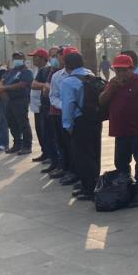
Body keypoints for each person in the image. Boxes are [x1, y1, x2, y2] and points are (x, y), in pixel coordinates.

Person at [99, 54, 138, 208]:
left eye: (123, 70)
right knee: (121, 162)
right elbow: (102, 101)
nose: (120, 74)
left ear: (131, 69)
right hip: (120, 131)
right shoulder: (113, 83)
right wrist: (112, 88)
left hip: (137, 131)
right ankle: (125, 190)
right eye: (117, 70)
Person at [60, 52, 102, 200]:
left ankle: (88, 189)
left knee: (82, 156)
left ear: (66, 65)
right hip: (95, 119)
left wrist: (68, 126)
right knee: (94, 153)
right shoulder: (90, 74)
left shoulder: (68, 81)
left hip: (80, 121)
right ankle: (94, 184)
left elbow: (68, 105)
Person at [48, 47, 80, 188]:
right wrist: (64, 106)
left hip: (78, 116)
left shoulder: (85, 75)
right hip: (61, 114)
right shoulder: (57, 76)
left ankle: (76, 172)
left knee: (76, 147)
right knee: (63, 144)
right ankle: (67, 169)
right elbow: (53, 96)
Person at [0, 51, 34, 155]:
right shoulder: (11, 71)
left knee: (22, 123)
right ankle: (17, 144)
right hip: (9, 100)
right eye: (15, 58)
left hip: (20, 100)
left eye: (19, 58)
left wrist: (5, 88)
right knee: (12, 123)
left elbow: (22, 84)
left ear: (23, 59)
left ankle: (27, 146)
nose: (16, 60)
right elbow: (3, 80)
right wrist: (3, 89)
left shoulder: (26, 72)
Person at [36, 47, 63, 174]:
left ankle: (61, 164)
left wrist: (48, 87)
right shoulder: (47, 71)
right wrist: (45, 86)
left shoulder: (62, 73)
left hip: (58, 111)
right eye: (52, 56)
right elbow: (34, 84)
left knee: (58, 140)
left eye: (56, 56)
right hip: (46, 108)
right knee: (47, 137)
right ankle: (54, 162)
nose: (54, 59)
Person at [28, 48, 52, 163]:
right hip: (37, 106)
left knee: (46, 132)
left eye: (35, 57)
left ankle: (50, 154)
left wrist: (43, 85)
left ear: (43, 58)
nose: (33, 59)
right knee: (40, 131)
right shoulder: (37, 70)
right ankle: (45, 152)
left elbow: (34, 85)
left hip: (43, 105)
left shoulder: (47, 70)